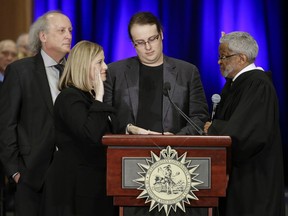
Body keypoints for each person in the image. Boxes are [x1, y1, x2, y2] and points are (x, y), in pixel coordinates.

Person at [104, 11, 209, 216]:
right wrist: (128, 129)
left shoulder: (187, 72)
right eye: (140, 42)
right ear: (133, 44)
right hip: (130, 164)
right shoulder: (115, 72)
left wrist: (177, 139)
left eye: (152, 39)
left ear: (162, 34)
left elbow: (199, 117)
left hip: (178, 165)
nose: (148, 47)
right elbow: (106, 118)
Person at [204, 31, 285, 216]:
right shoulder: (236, 84)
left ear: (242, 58)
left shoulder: (258, 85)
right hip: (236, 180)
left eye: (223, 56)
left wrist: (214, 128)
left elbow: (247, 134)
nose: (219, 62)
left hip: (254, 181)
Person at [0, 10, 72, 216]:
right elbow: (6, 124)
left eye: (70, 30)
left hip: (70, 176)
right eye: (61, 30)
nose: (68, 35)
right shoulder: (20, 71)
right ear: (43, 36)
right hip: (32, 178)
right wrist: (14, 171)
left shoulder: (75, 73)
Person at [40, 40, 118, 216]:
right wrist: (99, 96)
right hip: (74, 188)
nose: (105, 66)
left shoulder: (88, 98)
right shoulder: (70, 97)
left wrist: (130, 129)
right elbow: (90, 135)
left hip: (93, 184)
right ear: (84, 66)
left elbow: (107, 130)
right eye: (99, 62)